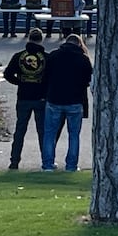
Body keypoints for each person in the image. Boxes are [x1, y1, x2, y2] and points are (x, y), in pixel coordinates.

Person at [41, 33, 93, 172]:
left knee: (49, 133)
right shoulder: (83, 59)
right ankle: (71, 165)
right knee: (74, 135)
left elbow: (45, 76)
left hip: (54, 99)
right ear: (79, 44)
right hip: (75, 100)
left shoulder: (53, 56)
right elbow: (88, 80)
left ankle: (47, 165)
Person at [4, 29, 49, 169]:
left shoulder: (19, 56)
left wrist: (20, 82)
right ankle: (46, 161)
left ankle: (14, 161)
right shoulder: (46, 58)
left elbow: (7, 74)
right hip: (41, 97)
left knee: (20, 130)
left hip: (23, 96)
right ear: (41, 40)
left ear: (29, 39)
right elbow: (51, 77)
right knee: (42, 131)